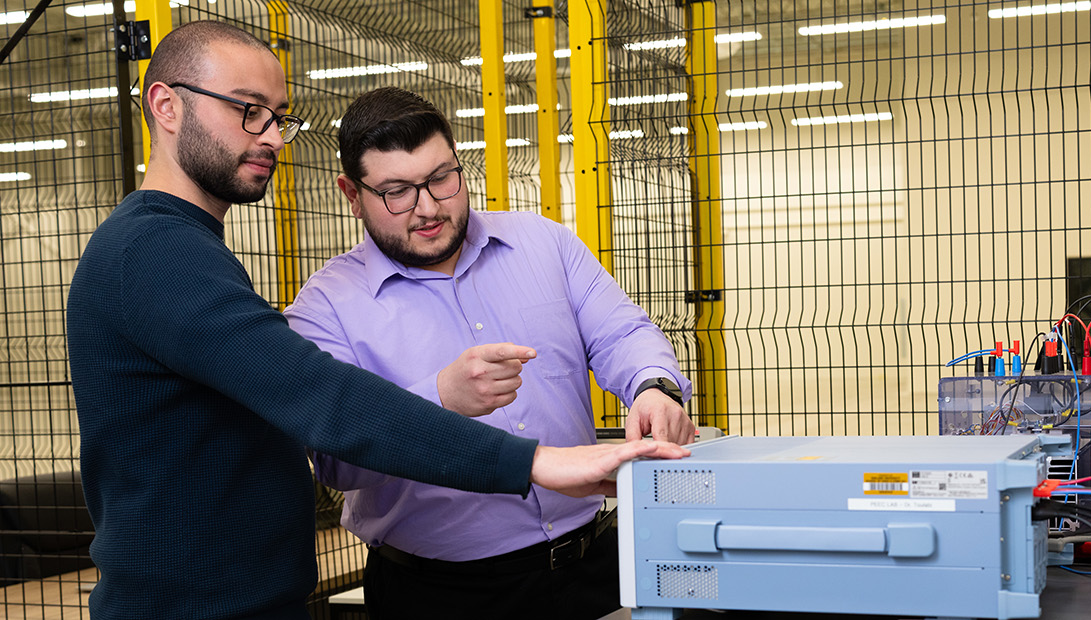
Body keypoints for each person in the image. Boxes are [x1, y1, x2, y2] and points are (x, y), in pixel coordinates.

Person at [64, 20, 688, 620]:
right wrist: (528, 459)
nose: (273, 137)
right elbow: (322, 400)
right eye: (249, 110)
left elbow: (621, 332)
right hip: (229, 603)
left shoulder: (185, 248)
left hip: (248, 597)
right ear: (166, 106)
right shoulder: (158, 253)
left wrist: (652, 384)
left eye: (279, 117)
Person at [283, 86, 697, 619]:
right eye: (397, 192)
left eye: (441, 178)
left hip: (592, 566)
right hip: (439, 596)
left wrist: (655, 387)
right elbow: (336, 463)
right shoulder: (324, 308)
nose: (428, 208)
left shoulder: (544, 244)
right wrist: (439, 397)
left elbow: (622, 333)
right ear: (351, 193)